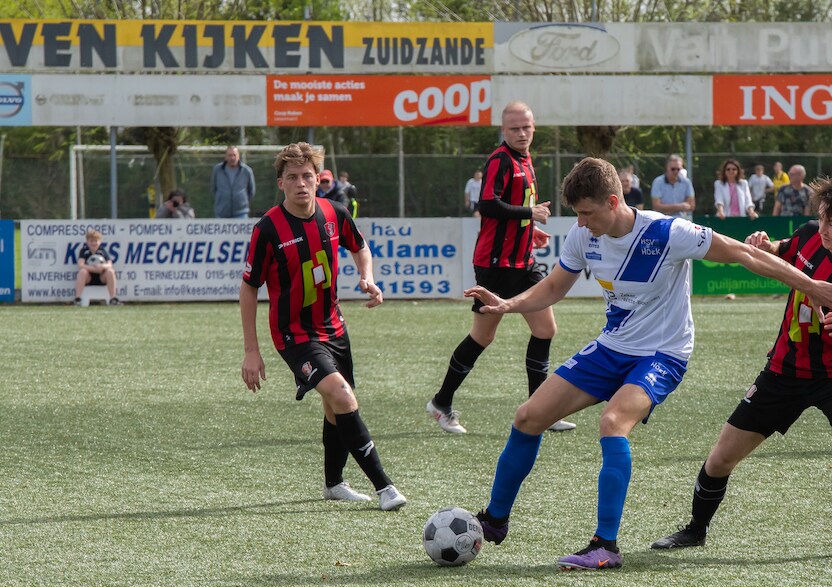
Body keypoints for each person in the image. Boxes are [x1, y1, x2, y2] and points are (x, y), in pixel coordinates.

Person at [469, 157, 832, 571]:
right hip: (612, 346)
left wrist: (810, 284)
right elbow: (552, 288)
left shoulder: (667, 232)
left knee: (613, 422)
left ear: (613, 201)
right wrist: (509, 304)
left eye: (587, 213)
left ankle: (605, 545)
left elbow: (746, 255)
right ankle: (494, 521)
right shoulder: (585, 238)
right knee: (529, 416)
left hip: (662, 355)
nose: (580, 224)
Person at [650, 176, 832, 559]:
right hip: (783, 371)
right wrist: (764, 243)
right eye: (821, 218)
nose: (823, 229)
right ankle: (696, 529)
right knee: (721, 457)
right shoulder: (807, 238)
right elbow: (777, 250)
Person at [239, 142, 405, 512]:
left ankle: (334, 483)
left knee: (335, 406)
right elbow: (249, 288)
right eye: (293, 177)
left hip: (334, 327)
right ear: (281, 183)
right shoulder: (267, 229)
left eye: (307, 176)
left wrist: (367, 277)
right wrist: (252, 350)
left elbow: (360, 247)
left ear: (318, 179)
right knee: (343, 396)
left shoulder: (335, 212)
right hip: (293, 335)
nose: (301, 183)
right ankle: (385, 487)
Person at [428, 102, 572, 434]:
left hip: (522, 263)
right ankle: (441, 402)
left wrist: (530, 230)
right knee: (483, 337)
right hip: (495, 266)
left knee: (545, 329)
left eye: (527, 127)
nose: (522, 133)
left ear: (534, 128)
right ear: (503, 131)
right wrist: (529, 214)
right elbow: (488, 204)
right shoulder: (500, 159)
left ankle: (538, 411)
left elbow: (512, 209)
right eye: (514, 129)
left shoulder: (526, 160)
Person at [73, 228, 120, 305]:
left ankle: (113, 298)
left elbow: (109, 264)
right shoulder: (84, 251)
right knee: (82, 272)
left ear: (100, 242)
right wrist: (93, 269)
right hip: (89, 277)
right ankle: (78, 298)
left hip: (101, 277)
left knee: (110, 271)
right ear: (87, 242)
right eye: (91, 241)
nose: (94, 243)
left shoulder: (102, 251)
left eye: (96, 241)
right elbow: (80, 265)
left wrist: (102, 266)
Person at [211, 145, 256, 219]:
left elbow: (251, 191)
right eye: (229, 155)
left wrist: (241, 201)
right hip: (221, 213)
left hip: (241, 213)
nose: (232, 158)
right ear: (225, 157)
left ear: (238, 156)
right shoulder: (217, 170)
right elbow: (213, 188)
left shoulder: (247, 171)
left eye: (234, 155)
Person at [650, 154, 696, 220]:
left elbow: (691, 205)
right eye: (673, 169)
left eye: (678, 169)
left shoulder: (686, 182)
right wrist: (680, 207)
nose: (676, 171)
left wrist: (667, 209)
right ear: (667, 168)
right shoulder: (658, 182)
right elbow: (656, 206)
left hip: (682, 220)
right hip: (662, 220)